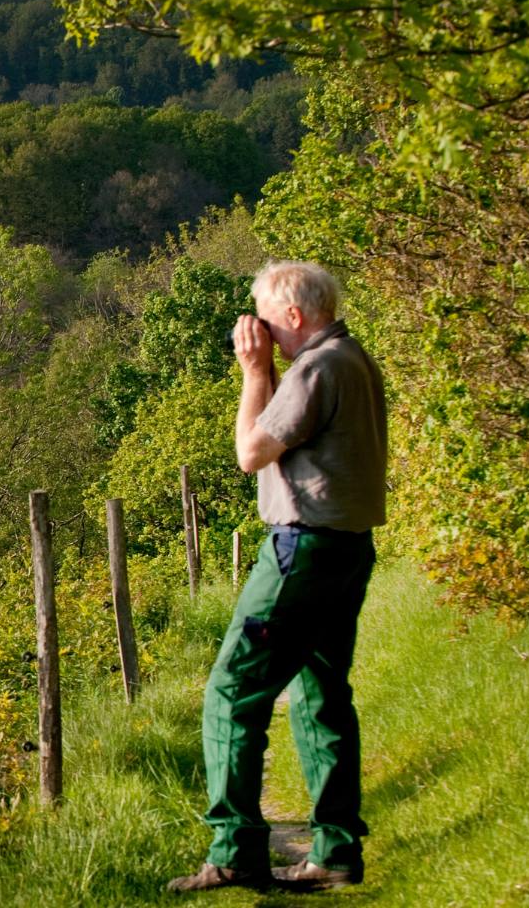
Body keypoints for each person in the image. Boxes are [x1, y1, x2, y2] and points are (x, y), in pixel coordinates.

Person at [167, 260, 388, 894]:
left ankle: (234, 850)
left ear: (293, 316)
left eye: (264, 319)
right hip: (347, 549)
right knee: (320, 695)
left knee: (232, 692)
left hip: (303, 550)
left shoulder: (314, 368)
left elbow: (250, 452)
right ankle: (336, 854)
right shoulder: (356, 357)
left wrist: (256, 372)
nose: (256, 331)